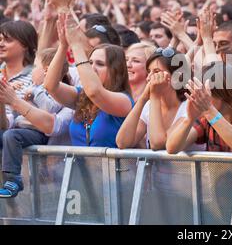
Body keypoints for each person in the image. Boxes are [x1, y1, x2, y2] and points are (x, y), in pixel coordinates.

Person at [44, 14, 133, 147]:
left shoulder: (124, 100)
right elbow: (51, 86)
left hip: (110, 168)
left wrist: (77, 46)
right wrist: (63, 46)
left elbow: (95, 92)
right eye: (90, 62)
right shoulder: (82, 95)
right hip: (79, 168)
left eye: (100, 64)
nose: (92, 68)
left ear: (116, 70)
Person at [0, 48, 73, 198]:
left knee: (11, 136)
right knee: (6, 134)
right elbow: (15, 113)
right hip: (21, 128)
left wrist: (36, 90)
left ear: (46, 71)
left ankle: (13, 180)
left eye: (35, 66)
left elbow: (50, 108)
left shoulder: (58, 90)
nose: (32, 70)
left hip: (36, 132)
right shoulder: (34, 87)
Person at [166, 61, 232, 156]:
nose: (198, 98)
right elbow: (172, 148)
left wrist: (209, 109)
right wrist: (189, 119)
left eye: (203, 93)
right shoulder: (207, 120)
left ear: (223, 94)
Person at [0, 21, 37, 129]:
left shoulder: (35, 77)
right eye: (0, 40)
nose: (1, 44)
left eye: (7, 40)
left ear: (25, 45)